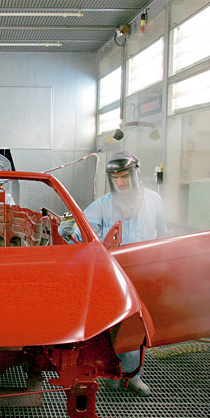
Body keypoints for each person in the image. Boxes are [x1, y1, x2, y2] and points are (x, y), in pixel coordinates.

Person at [58, 151, 170, 397]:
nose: (121, 182)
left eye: (125, 176)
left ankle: (133, 377)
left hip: (144, 273)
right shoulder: (102, 205)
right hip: (114, 276)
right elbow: (81, 233)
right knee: (113, 327)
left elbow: (162, 234)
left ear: (135, 174)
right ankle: (113, 373)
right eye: (116, 178)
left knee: (137, 329)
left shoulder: (154, 201)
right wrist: (67, 230)